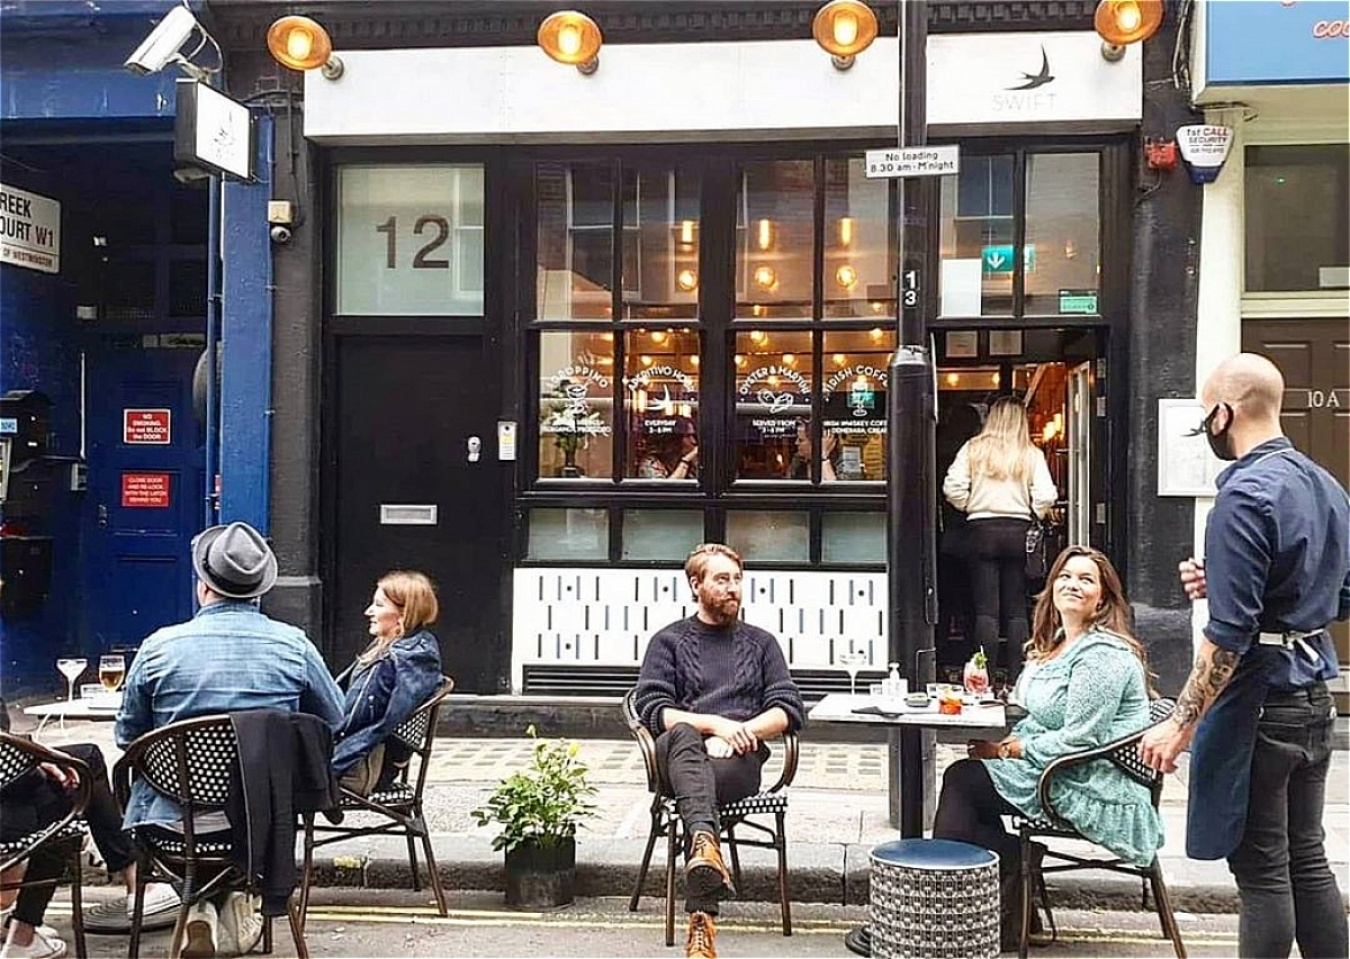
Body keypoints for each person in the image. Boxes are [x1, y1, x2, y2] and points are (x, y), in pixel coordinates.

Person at [1139, 353, 1348, 959]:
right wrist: (1230, 581)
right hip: (1314, 699)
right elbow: (1341, 594)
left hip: (1259, 705)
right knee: (1306, 858)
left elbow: (1228, 637)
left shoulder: (1243, 496)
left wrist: (1180, 723)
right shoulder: (1326, 486)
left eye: (1207, 416)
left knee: (1261, 870)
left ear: (1224, 414)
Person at [115, 521, 345, 958]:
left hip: (174, 828)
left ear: (203, 586)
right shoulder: (293, 645)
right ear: (260, 591)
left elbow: (127, 736)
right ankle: (226, 906)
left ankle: (198, 907)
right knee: (251, 804)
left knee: (158, 804)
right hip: (263, 826)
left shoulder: (158, 646)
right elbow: (335, 719)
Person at [933, 545, 1164, 949]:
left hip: (1092, 781)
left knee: (964, 782)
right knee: (966, 789)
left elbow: (1080, 737)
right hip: (1058, 766)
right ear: (1052, 586)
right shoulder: (1059, 643)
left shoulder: (1103, 655)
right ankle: (1004, 906)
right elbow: (1041, 714)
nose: (1073, 584)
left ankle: (950, 914)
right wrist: (1000, 728)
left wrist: (1006, 751)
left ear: (1103, 599)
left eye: (1086, 579)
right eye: (1065, 576)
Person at [632, 543, 805, 959]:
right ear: (697, 585)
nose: (733, 588)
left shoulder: (762, 644)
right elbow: (653, 710)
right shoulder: (668, 641)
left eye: (737, 579)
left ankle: (703, 853)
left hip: (737, 761)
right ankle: (704, 881)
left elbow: (787, 709)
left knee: (699, 785)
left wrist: (739, 733)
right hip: (680, 755)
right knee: (683, 736)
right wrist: (714, 725)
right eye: (722, 579)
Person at [942, 396, 1057, 680]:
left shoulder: (973, 448)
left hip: (981, 531)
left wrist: (970, 505)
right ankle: (1017, 678)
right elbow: (1046, 495)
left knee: (986, 611)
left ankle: (985, 678)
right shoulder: (1030, 454)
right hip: (1017, 530)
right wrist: (1033, 511)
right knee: (1016, 610)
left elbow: (952, 487)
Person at [331, 571, 444, 794]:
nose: (368, 611)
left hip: (357, 770)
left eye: (379, 605)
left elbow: (367, 725)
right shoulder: (398, 646)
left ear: (404, 612)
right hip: (360, 761)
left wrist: (324, 764)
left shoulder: (397, 659)